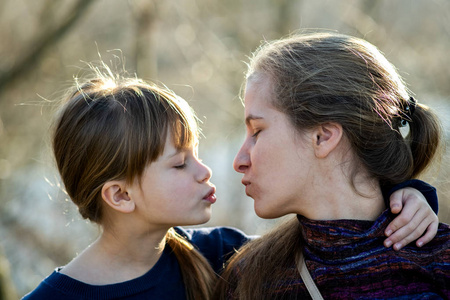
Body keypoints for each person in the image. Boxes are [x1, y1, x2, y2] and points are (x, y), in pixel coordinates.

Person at [23, 62, 439, 300]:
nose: (205, 171)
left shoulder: (225, 258)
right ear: (120, 194)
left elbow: (334, 242)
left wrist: (402, 198)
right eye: (179, 164)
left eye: (196, 155)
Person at [215, 32, 450, 299]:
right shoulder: (247, 279)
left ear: (323, 137)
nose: (239, 161)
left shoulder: (442, 263)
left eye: (257, 131)